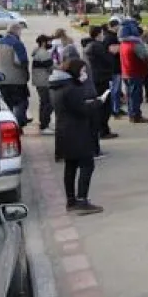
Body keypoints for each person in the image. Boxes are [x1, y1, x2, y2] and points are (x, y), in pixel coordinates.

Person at [49, 58, 108, 214]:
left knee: (70, 166)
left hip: (64, 131)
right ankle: (81, 200)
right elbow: (82, 110)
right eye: (82, 71)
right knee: (87, 164)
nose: (84, 75)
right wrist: (98, 102)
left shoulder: (57, 86)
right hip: (76, 132)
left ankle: (71, 200)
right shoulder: (71, 88)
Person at [0, 22, 30, 125]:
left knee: (6, 105)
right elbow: (21, 62)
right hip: (17, 80)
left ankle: (8, 125)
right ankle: (18, 125)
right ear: (17, 31)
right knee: (20, 103)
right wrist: (26, 74)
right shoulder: (17, 44)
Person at [84, 26, 118, 140]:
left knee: (100, 104)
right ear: (98, 34)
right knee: (104, 105)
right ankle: (103, 130)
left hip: (95, 78)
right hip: (102, 78)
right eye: (102, 34)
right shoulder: (98, 47)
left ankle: (100, 129)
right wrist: (111, 53)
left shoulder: (88, 46)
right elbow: (108, 61)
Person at [118, 19, 148, 123]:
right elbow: (146, 57)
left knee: (129, 95)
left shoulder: (123, 43)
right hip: (135, 72)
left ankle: (132, 113)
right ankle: (136, 115)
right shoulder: (135, 44)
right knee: (136, 95)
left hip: (126, 72)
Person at [31, 35, 54, 134]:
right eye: (49, 42)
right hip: (44, 81)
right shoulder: (44, 53)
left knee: (43, 103)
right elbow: (50, 67)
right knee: (48, 103)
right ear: (44, 43)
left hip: (39, 81)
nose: (50, 44)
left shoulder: (37, 52)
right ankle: (44, 125)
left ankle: (43, 124)